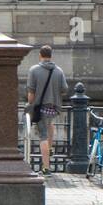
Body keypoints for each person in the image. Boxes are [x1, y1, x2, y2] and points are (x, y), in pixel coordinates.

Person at [26, 45, 68, 175]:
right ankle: (50, 148)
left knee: (43, 136)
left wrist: (30, 105)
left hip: (40, 108)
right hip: (53, 108)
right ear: (51, 56)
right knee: (50, 125)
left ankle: (46, 168)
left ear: (40, 55)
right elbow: (64, 89)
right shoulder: (59, 71)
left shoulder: (34, 70)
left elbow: (31, 93)